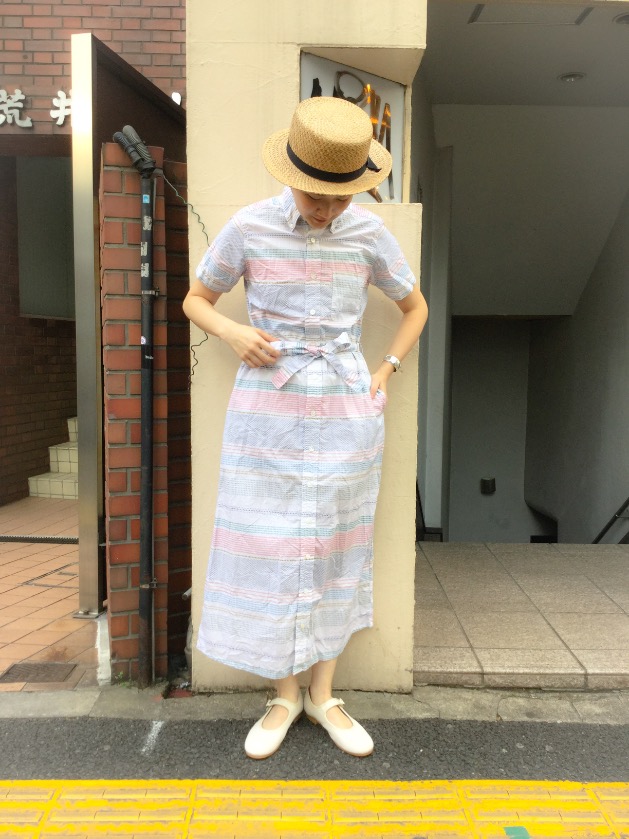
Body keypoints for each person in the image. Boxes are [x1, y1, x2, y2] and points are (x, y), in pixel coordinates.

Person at [183, 96, 428, 760]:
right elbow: (195, 299)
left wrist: (384, 370)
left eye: (340, 197)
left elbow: (415, 307)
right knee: (270, 543)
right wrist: (233, 331)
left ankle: (324, 693)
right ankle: (283, 694)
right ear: (291, 174)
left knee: (335, 542)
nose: (326, 209)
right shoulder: (249, 227)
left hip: (346, 408)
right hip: (268, 408)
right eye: (316, 195)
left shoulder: (368, 234)